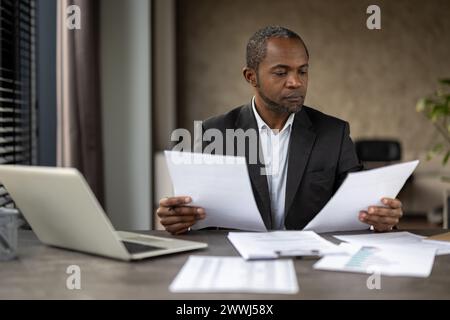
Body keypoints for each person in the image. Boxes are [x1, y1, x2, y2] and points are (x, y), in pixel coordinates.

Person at [156, 26, 403, 235]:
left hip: (310, 265)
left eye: (303, 71)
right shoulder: (215, 132)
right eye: (281, 72)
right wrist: (179, 219)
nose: (296, 82)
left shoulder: (334, 133)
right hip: (238, 267)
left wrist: (379, 218)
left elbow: (360, 204)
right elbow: (195, 211)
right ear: (251, 77)